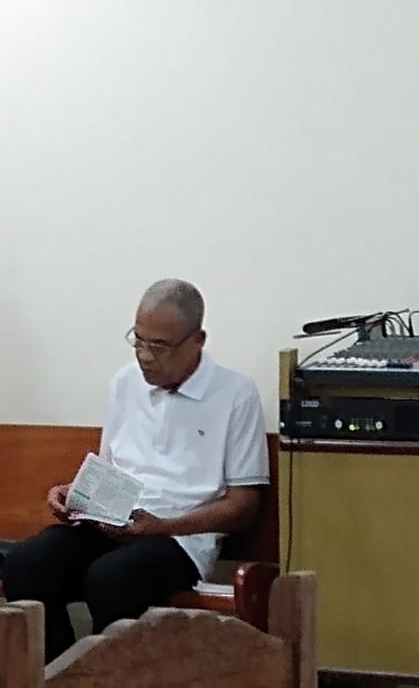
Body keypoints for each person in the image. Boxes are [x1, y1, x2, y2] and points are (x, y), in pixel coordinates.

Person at [4, 279, 269, 663]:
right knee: (26, 565)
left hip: (179, 537)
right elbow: (111, 470)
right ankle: (57, 683)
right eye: (138, 341)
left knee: (111, 578)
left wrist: (161, 526)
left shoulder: (235, 393)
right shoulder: (125, 383)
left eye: (159, 346)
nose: (145, 356)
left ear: (197, 340)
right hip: (116, 523)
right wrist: (75, 494)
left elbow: (243, 507)